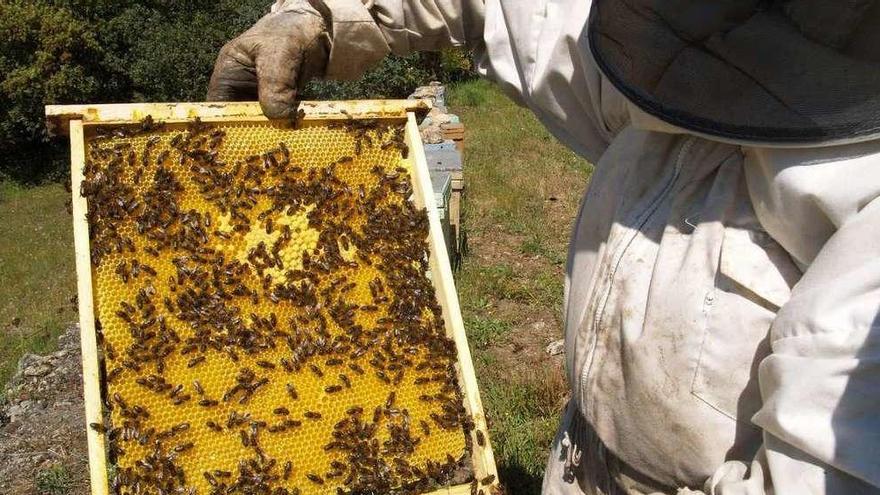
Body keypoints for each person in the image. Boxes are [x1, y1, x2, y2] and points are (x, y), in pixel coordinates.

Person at [207, 1, 880, 494]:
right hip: (577, 458)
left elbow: (822, 475)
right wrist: (317, 20)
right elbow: (489, 9)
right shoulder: (690, 58)